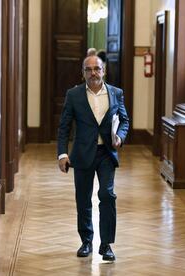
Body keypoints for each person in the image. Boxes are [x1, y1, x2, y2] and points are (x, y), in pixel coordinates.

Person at [57, 55, 129, 261]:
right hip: (82, 154)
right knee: (83, 198)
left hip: (106, 153)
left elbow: (124, 120)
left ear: (103, 70)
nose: (93, 73)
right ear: (83, 73)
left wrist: (121, 138)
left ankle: (106, 244)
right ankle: (86, 241)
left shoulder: (116, 93)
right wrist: (62, 154)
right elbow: (64, 127)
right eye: (88, 70)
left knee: (107, 196)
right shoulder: (74, 95)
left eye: (97, 69)